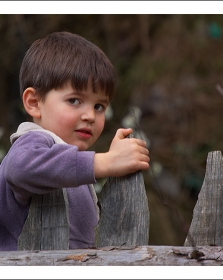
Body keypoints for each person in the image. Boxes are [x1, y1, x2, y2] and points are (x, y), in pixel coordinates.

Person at [0, 31, 150, 251]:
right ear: (34, 103)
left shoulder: (67, 159)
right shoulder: (33, 141)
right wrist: (106, 162)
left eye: (99, 106)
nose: (90, 115)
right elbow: (19, 168)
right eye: (74, 100)